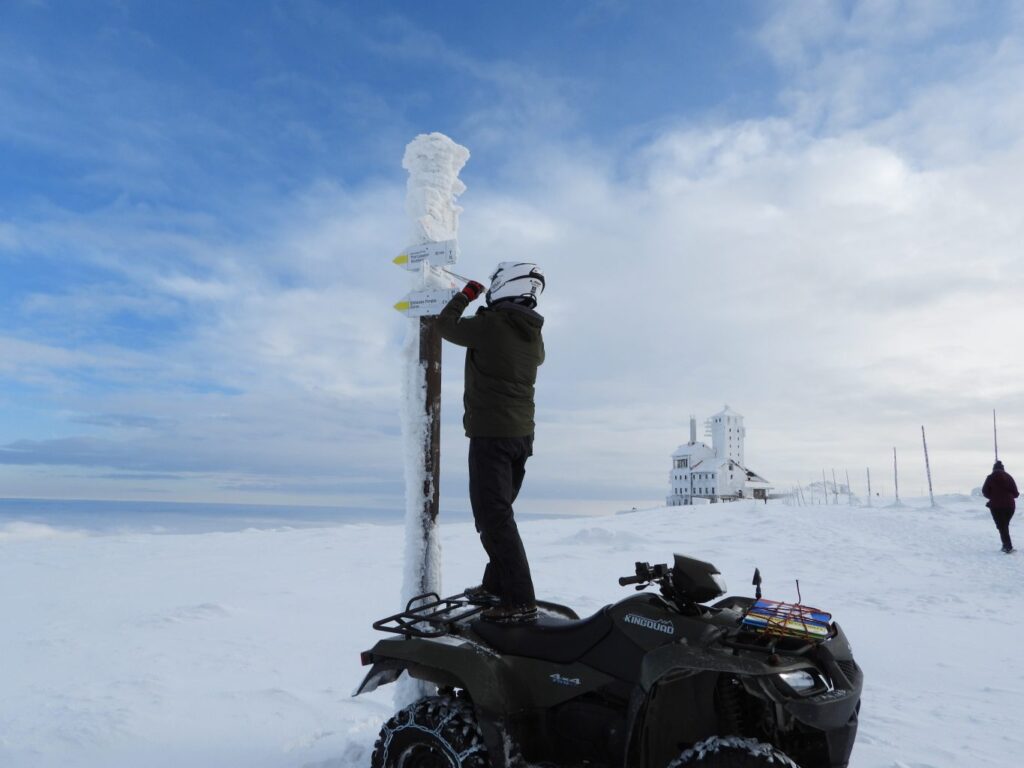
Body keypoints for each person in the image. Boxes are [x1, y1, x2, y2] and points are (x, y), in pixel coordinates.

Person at [436, 262, 546, 623]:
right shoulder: (533, 335)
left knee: (493, 518)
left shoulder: (492, 326)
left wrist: (467, 294)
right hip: (520, 437)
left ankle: (519, 598)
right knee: (499, 515)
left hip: (492, 436)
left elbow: (445, 326)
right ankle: (497, 585)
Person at [982, 460, 1018, 553]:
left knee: (1002, 526)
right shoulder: (1009, 477)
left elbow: (985, 491)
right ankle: (1006, 545)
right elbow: (1016, 493)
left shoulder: (990, 477)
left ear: (993, 469)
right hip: (1010, 506)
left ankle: (1007, 547)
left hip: (996, 506)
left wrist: (993, 496)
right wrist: (1008, 496)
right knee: (1004, 525)